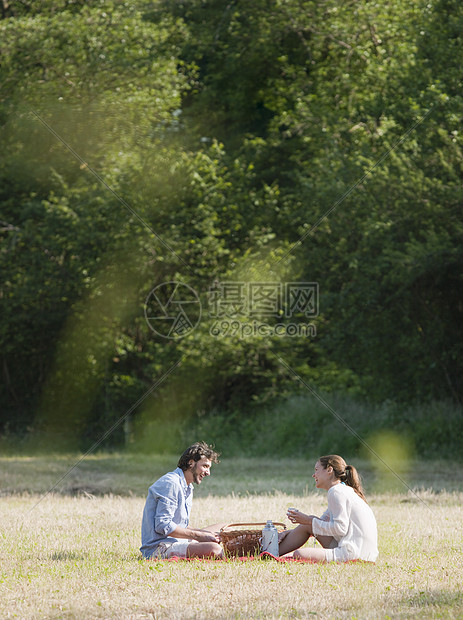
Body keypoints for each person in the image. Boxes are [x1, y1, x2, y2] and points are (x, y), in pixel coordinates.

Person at [278, 455, 378, 563]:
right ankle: (271, 552)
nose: (313, 475)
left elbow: (340, 528)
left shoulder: (336, 492)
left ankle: (270, 552)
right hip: (362, 551)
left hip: (353, 552)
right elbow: (319, 524)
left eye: (316, 470)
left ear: (329, 470)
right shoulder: (342, 490)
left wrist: (308, 520)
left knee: (299, 554)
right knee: (308, 525)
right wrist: (288, 532)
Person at [140, 442, 224, 559]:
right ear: (191, 463)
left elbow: (181, 525)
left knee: (225, 528)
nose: (208, 473)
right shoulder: (171, 483)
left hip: (178, 541)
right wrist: (198, 536)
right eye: (205, 466)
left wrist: (204, 534)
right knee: (215, 549)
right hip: (161, 548)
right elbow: (162, 525)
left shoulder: (187, 486)